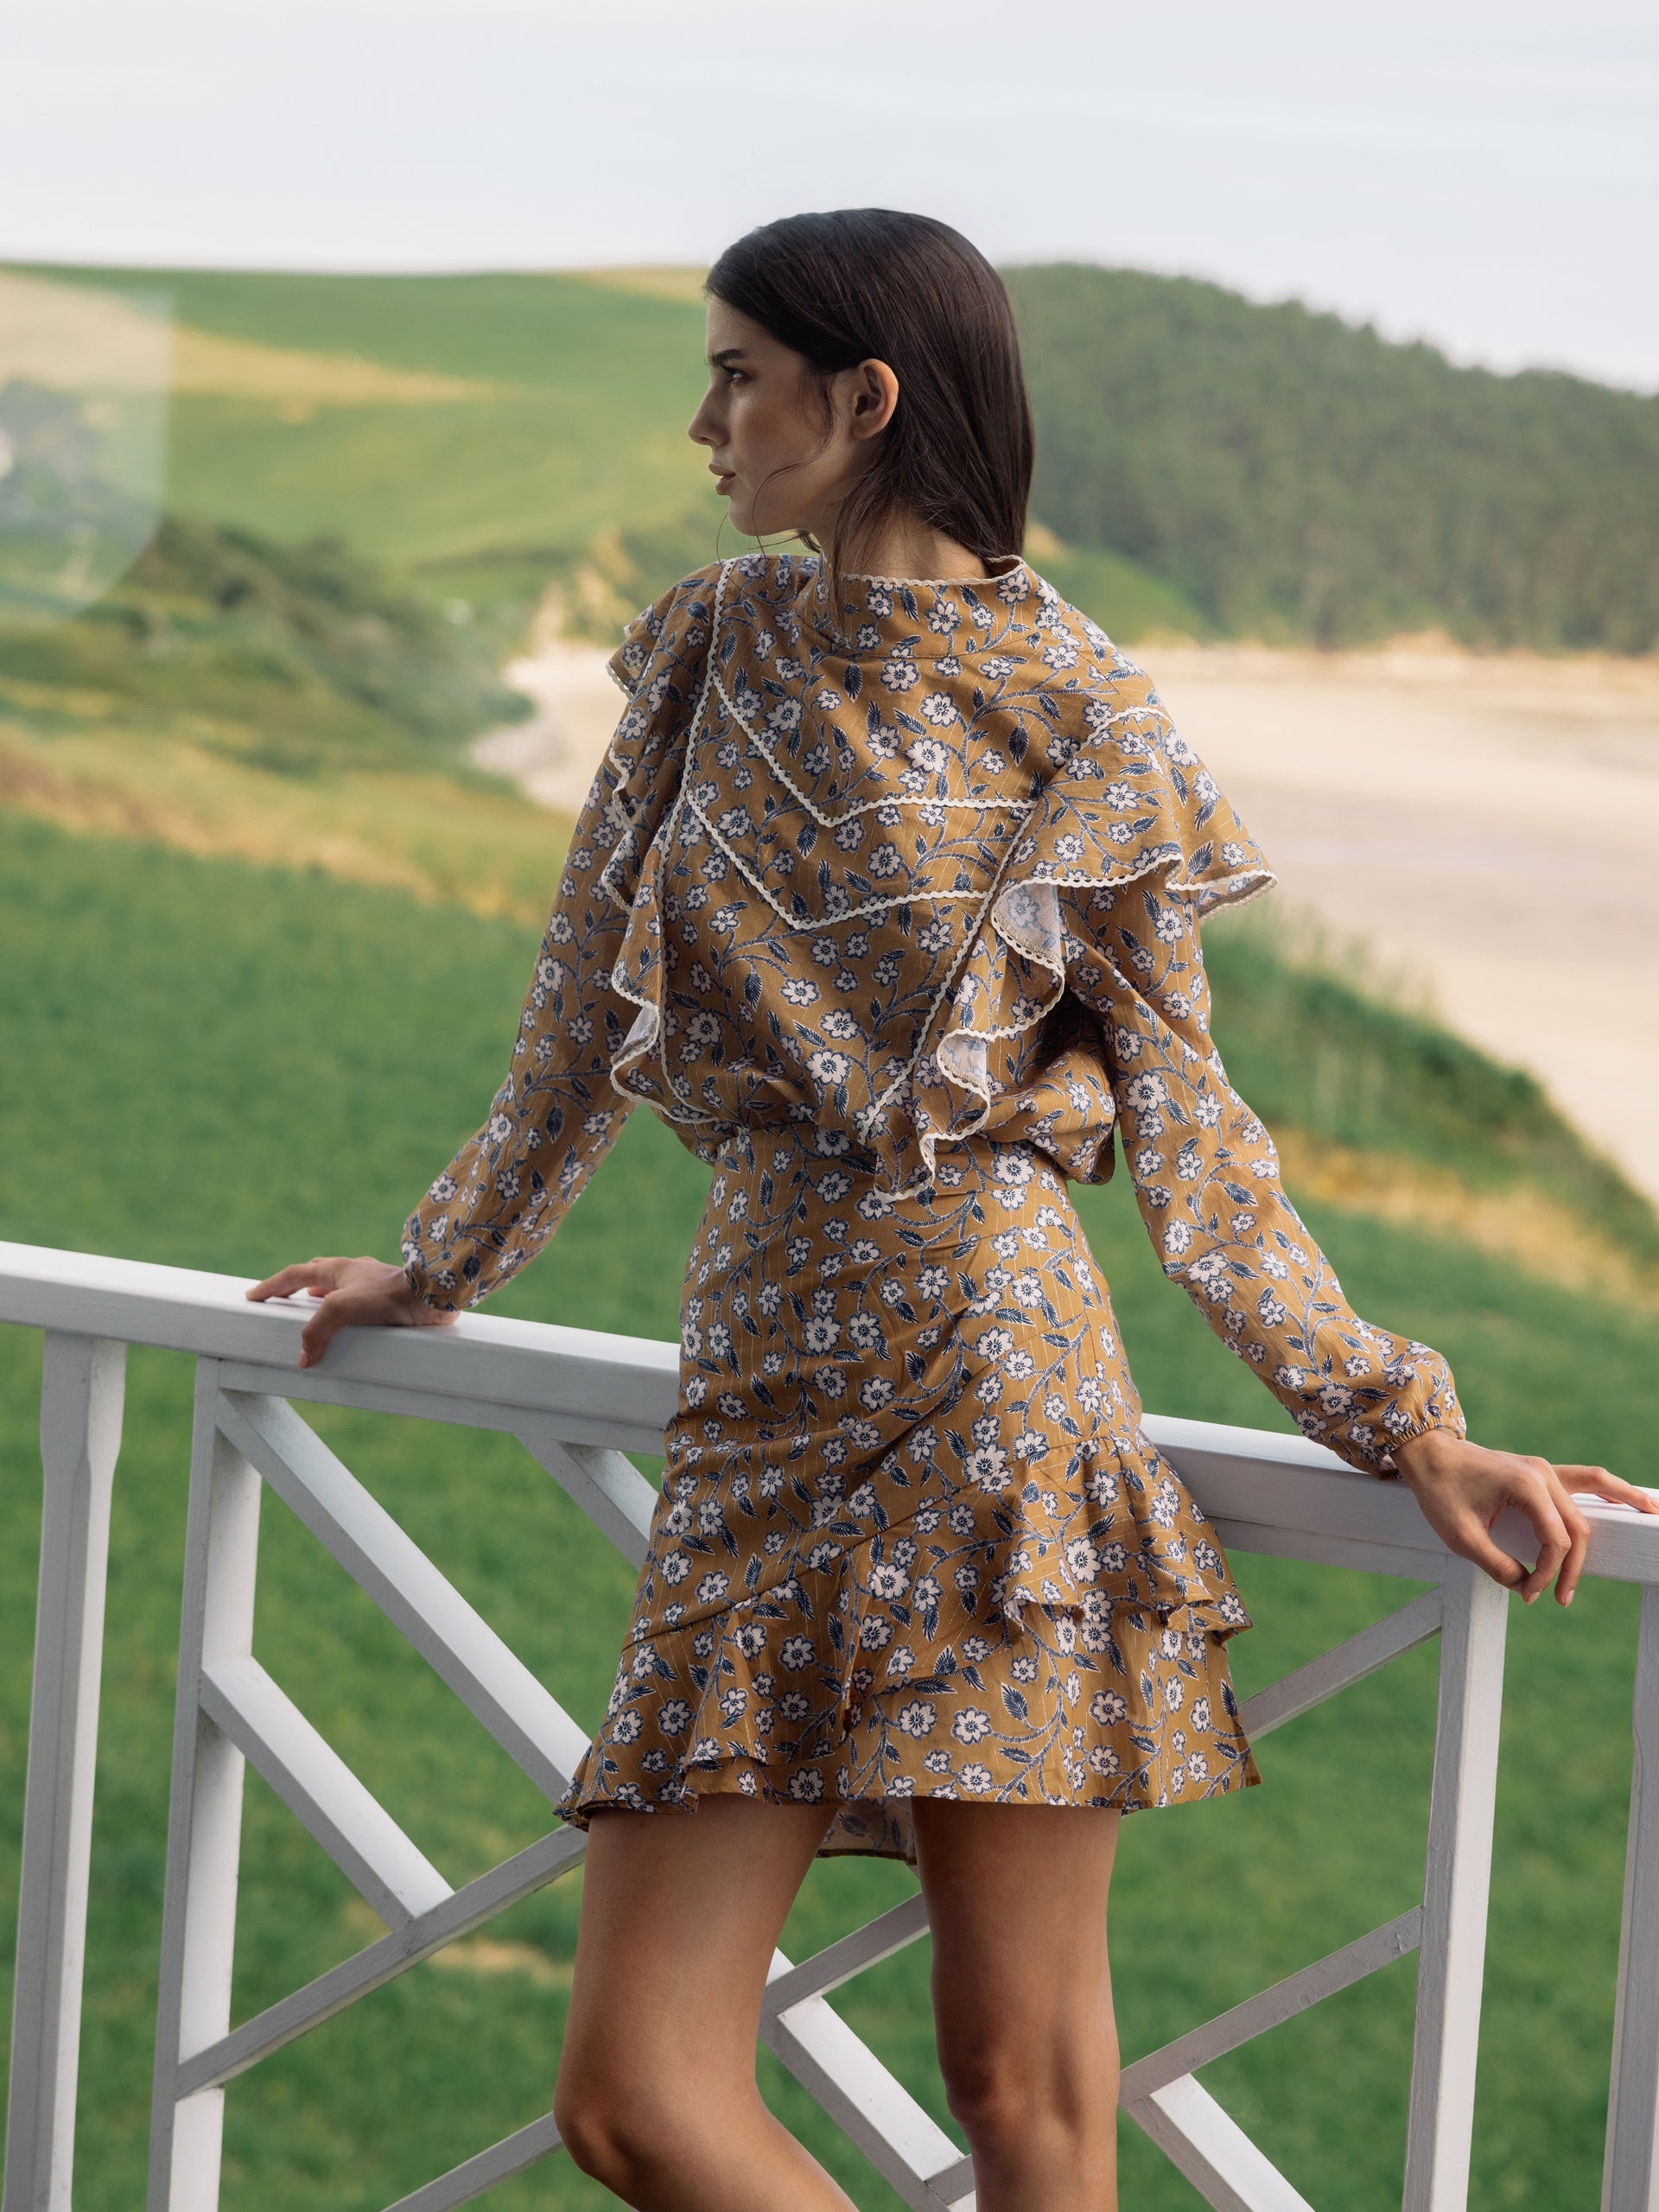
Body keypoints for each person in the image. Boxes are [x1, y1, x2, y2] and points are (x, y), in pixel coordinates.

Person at [248, 209, 1653, 2212]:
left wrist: (1400, 1413)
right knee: (636, 2091)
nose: (705, 425)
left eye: (737, 377)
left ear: (866, 397)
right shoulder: (710, 645)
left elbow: (1188, 1114)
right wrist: (439, 1259)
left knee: (1019, 2074)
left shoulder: (1085, 712)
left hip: (995, 1393)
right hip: (756, 1402)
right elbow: (574, 1012)